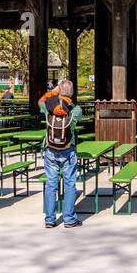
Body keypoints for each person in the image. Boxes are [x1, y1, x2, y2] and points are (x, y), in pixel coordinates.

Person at [39, 78, 83, 228]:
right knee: (70, 184)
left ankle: (50, 219)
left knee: (51, 184)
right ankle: (69, 218)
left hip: (50, 149)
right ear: (72, 92)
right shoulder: (75, 110)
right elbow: (78, 120)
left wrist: (52, 93)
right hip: (68, 149)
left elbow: (40, 102)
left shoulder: (48, 107)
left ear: (59, 90)